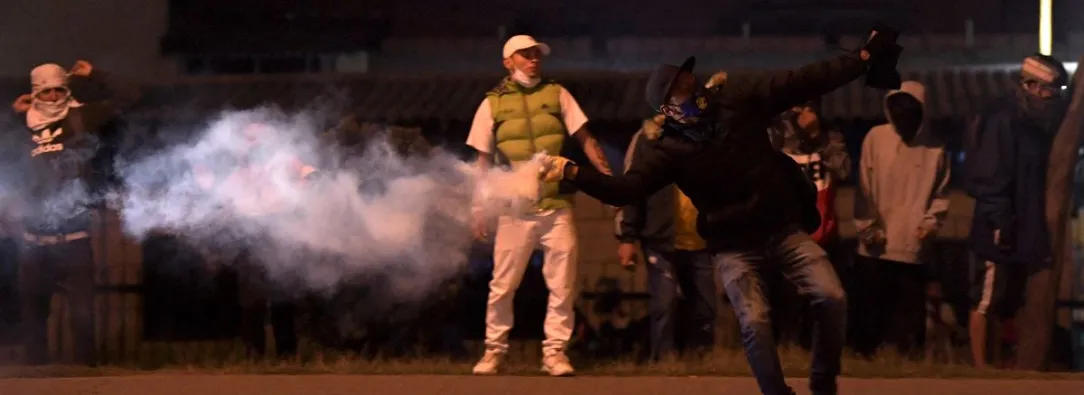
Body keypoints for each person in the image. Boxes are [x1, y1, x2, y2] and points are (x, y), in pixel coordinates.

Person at [539, 26, 902, 395]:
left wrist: (862, 58)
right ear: (667, 110)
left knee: (833, 297)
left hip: (781, 228)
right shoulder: (666, 150)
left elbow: (802, 82)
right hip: (733, 245)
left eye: (688, 78)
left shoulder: (737, 101)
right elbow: (624, 190)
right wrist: (571, 171)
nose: (691, 88)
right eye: (679, 88)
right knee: (755, 321)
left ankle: (823, 381)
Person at [466, 34, 614, 376]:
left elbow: (585, 138)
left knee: (562, 284)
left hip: (556, 204)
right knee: (503, 284)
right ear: (508, 62)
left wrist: (607, 178)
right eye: (525, 54)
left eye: (536, 54)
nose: (534, 59)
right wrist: (478, 207)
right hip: (514, 209)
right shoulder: (492, 103)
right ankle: (494, 351)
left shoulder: (557, 93)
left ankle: (555, 353)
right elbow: (482, 161)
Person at [11, 60, 140, 365]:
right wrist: (11, 113)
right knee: (32, 317)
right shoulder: (21, 125)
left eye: (59, 90)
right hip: (33, 242)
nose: (54, 98)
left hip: (74, 237)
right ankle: (36, 377)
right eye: (46, 92)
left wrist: (95, 74)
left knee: (83, 314)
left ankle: (85, 373)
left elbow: (131, 96)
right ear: (35, 94)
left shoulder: (82, 116)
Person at [963, 54, 1068, 369]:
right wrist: (1000, 222)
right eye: (1052, 89)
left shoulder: (1032, 120)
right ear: (1032, 85)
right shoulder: (1003, 118)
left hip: (1020, 225)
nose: (1055, 96)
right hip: (999, 225)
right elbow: (990, 173)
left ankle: (997, 365)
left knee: (1005, 300)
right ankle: (981, 368)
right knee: (985, 299)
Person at [193, 122, 318, 360]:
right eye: (248, 139)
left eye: (256, 139)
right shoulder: (236, 172)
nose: (252, 145)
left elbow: (308, 172)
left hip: (280, 231)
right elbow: (222, 197)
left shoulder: (283, 162)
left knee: (282, 300)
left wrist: (305, 183)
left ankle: (287, 356)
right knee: (252, 302)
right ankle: (254, 355)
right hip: (250, 235)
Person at [851, 80, 951, 357]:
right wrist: (867, 227)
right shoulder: (876, 138)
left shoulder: (935, 148)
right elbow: (864, 188)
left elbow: (940, 195)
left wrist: (928, 225)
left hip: (911, 247)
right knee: (870, 315)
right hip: (874, 247)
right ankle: (864, 365)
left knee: (908, 318)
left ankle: (908, 366)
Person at [615, 114, 717, 361]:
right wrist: (627, 237)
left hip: (700, 240)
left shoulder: (710, 138)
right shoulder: (648, 139)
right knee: (664, 305)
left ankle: (701, 362)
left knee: (706, 308)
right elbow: (632, 188)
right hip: (661, 238)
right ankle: (664, 361)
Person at [766, 99, 852, 348]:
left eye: (810, 108)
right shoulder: (778, 134)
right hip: (785, 231)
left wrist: (816, 136)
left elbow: (844, 170)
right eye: (799, 106)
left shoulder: (830, 137)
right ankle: (785, 349)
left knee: (821, 298)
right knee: (785, 298)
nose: (804, 114)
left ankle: (815, 349)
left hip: (823, 233)